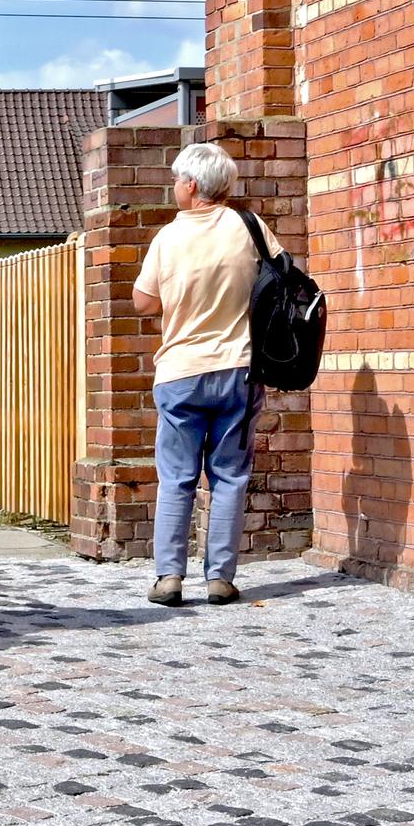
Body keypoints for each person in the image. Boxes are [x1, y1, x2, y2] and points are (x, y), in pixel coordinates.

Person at [130, 141, 279, 607]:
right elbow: (278, 281)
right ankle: (220, 578)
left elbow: (143, 302)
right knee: (229, 475)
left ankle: (169, 577)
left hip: (181, 371)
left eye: (176, 179)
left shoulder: (168, 238)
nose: (173, 186)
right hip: (239, 366)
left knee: (177, 477)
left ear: (191, 186)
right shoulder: (250, 228)